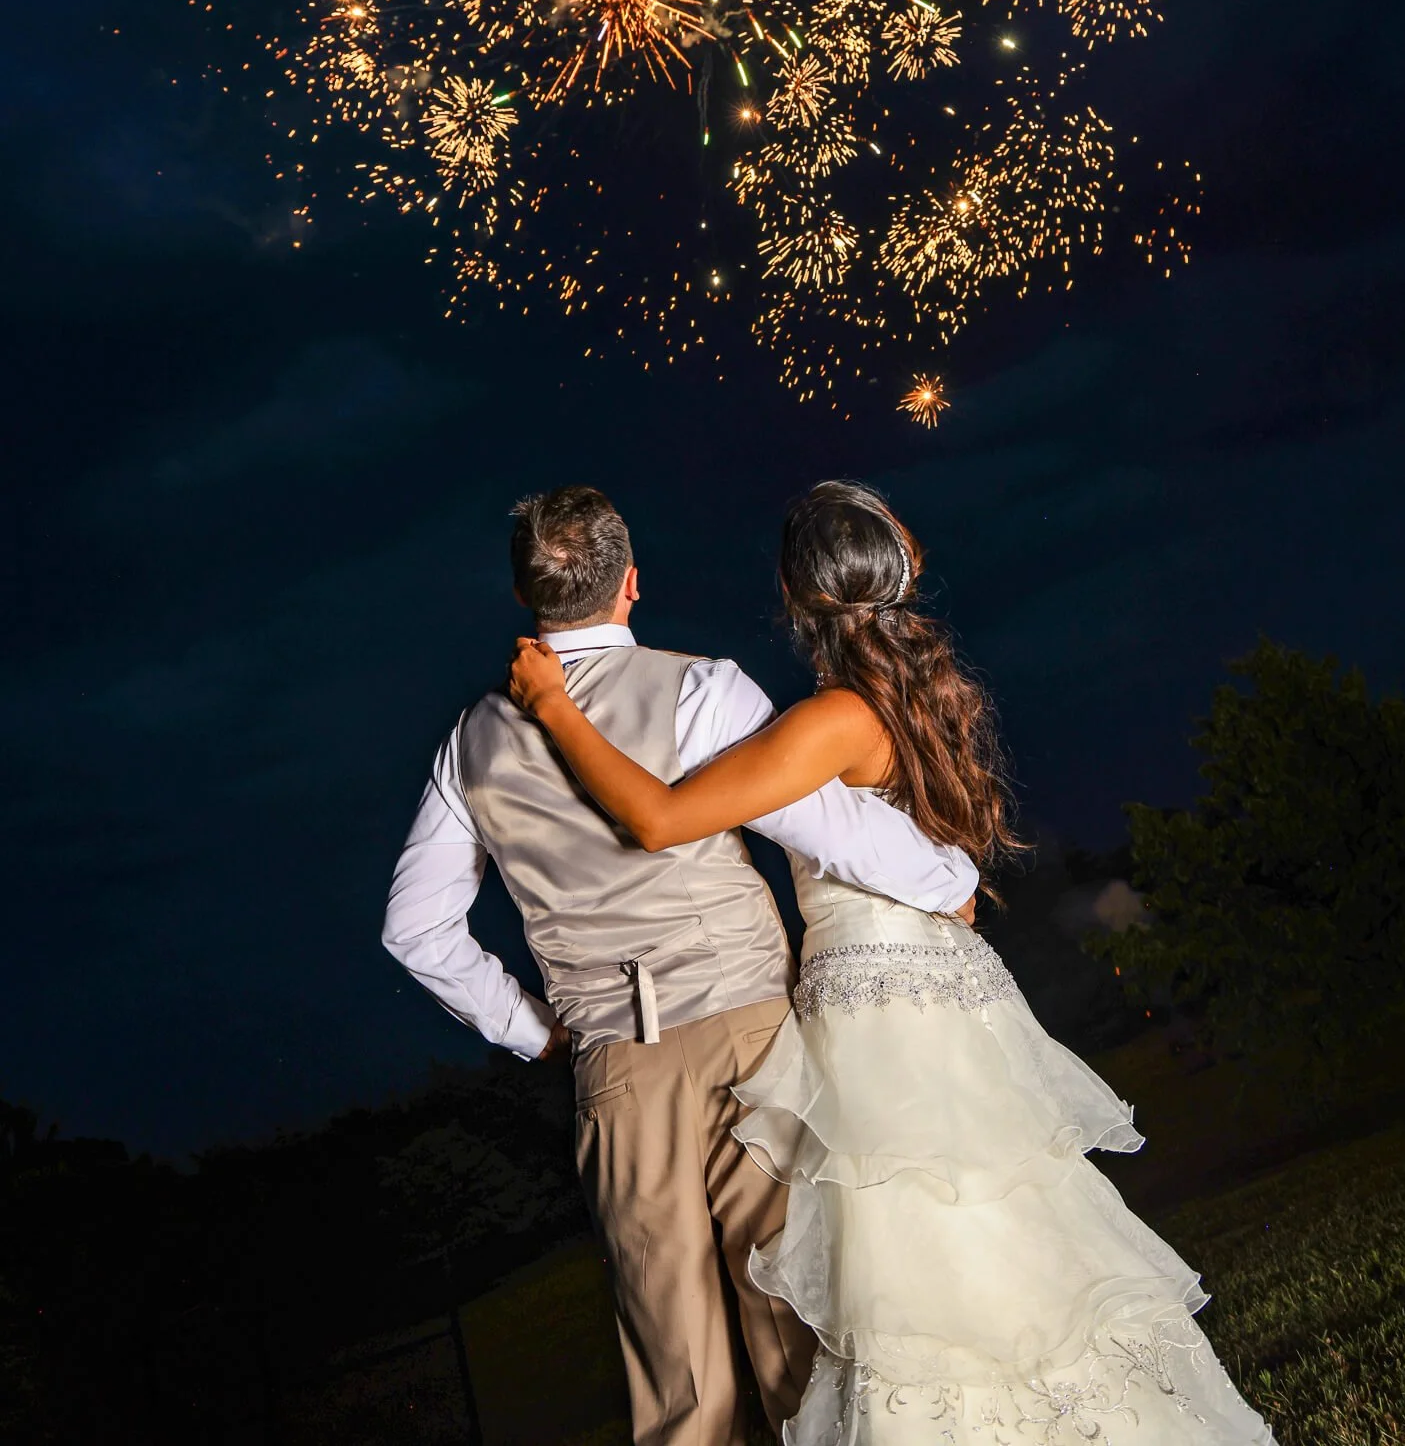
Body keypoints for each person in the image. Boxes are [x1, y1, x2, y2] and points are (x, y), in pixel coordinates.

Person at [508, 480, 1277, 1446]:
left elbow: (660, 819)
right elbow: (892, 850)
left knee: (915, 1267)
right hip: (943, 992)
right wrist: (943, 872)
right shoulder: (912, 702)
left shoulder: (826, 722)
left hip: (877, 1014)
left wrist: (555, 706)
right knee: (988, 1237)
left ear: (796, 596)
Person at [382, 484, 982, 1446]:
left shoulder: (471, 745)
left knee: (680, 1388)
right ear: (630, 581)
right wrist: (946, 876)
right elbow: (821, 825)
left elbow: (417, 932)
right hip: (755, 1044)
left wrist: (539, 1032)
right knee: (802, 1337)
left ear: (530, 595)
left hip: (616, 1072)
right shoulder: (703, 688)